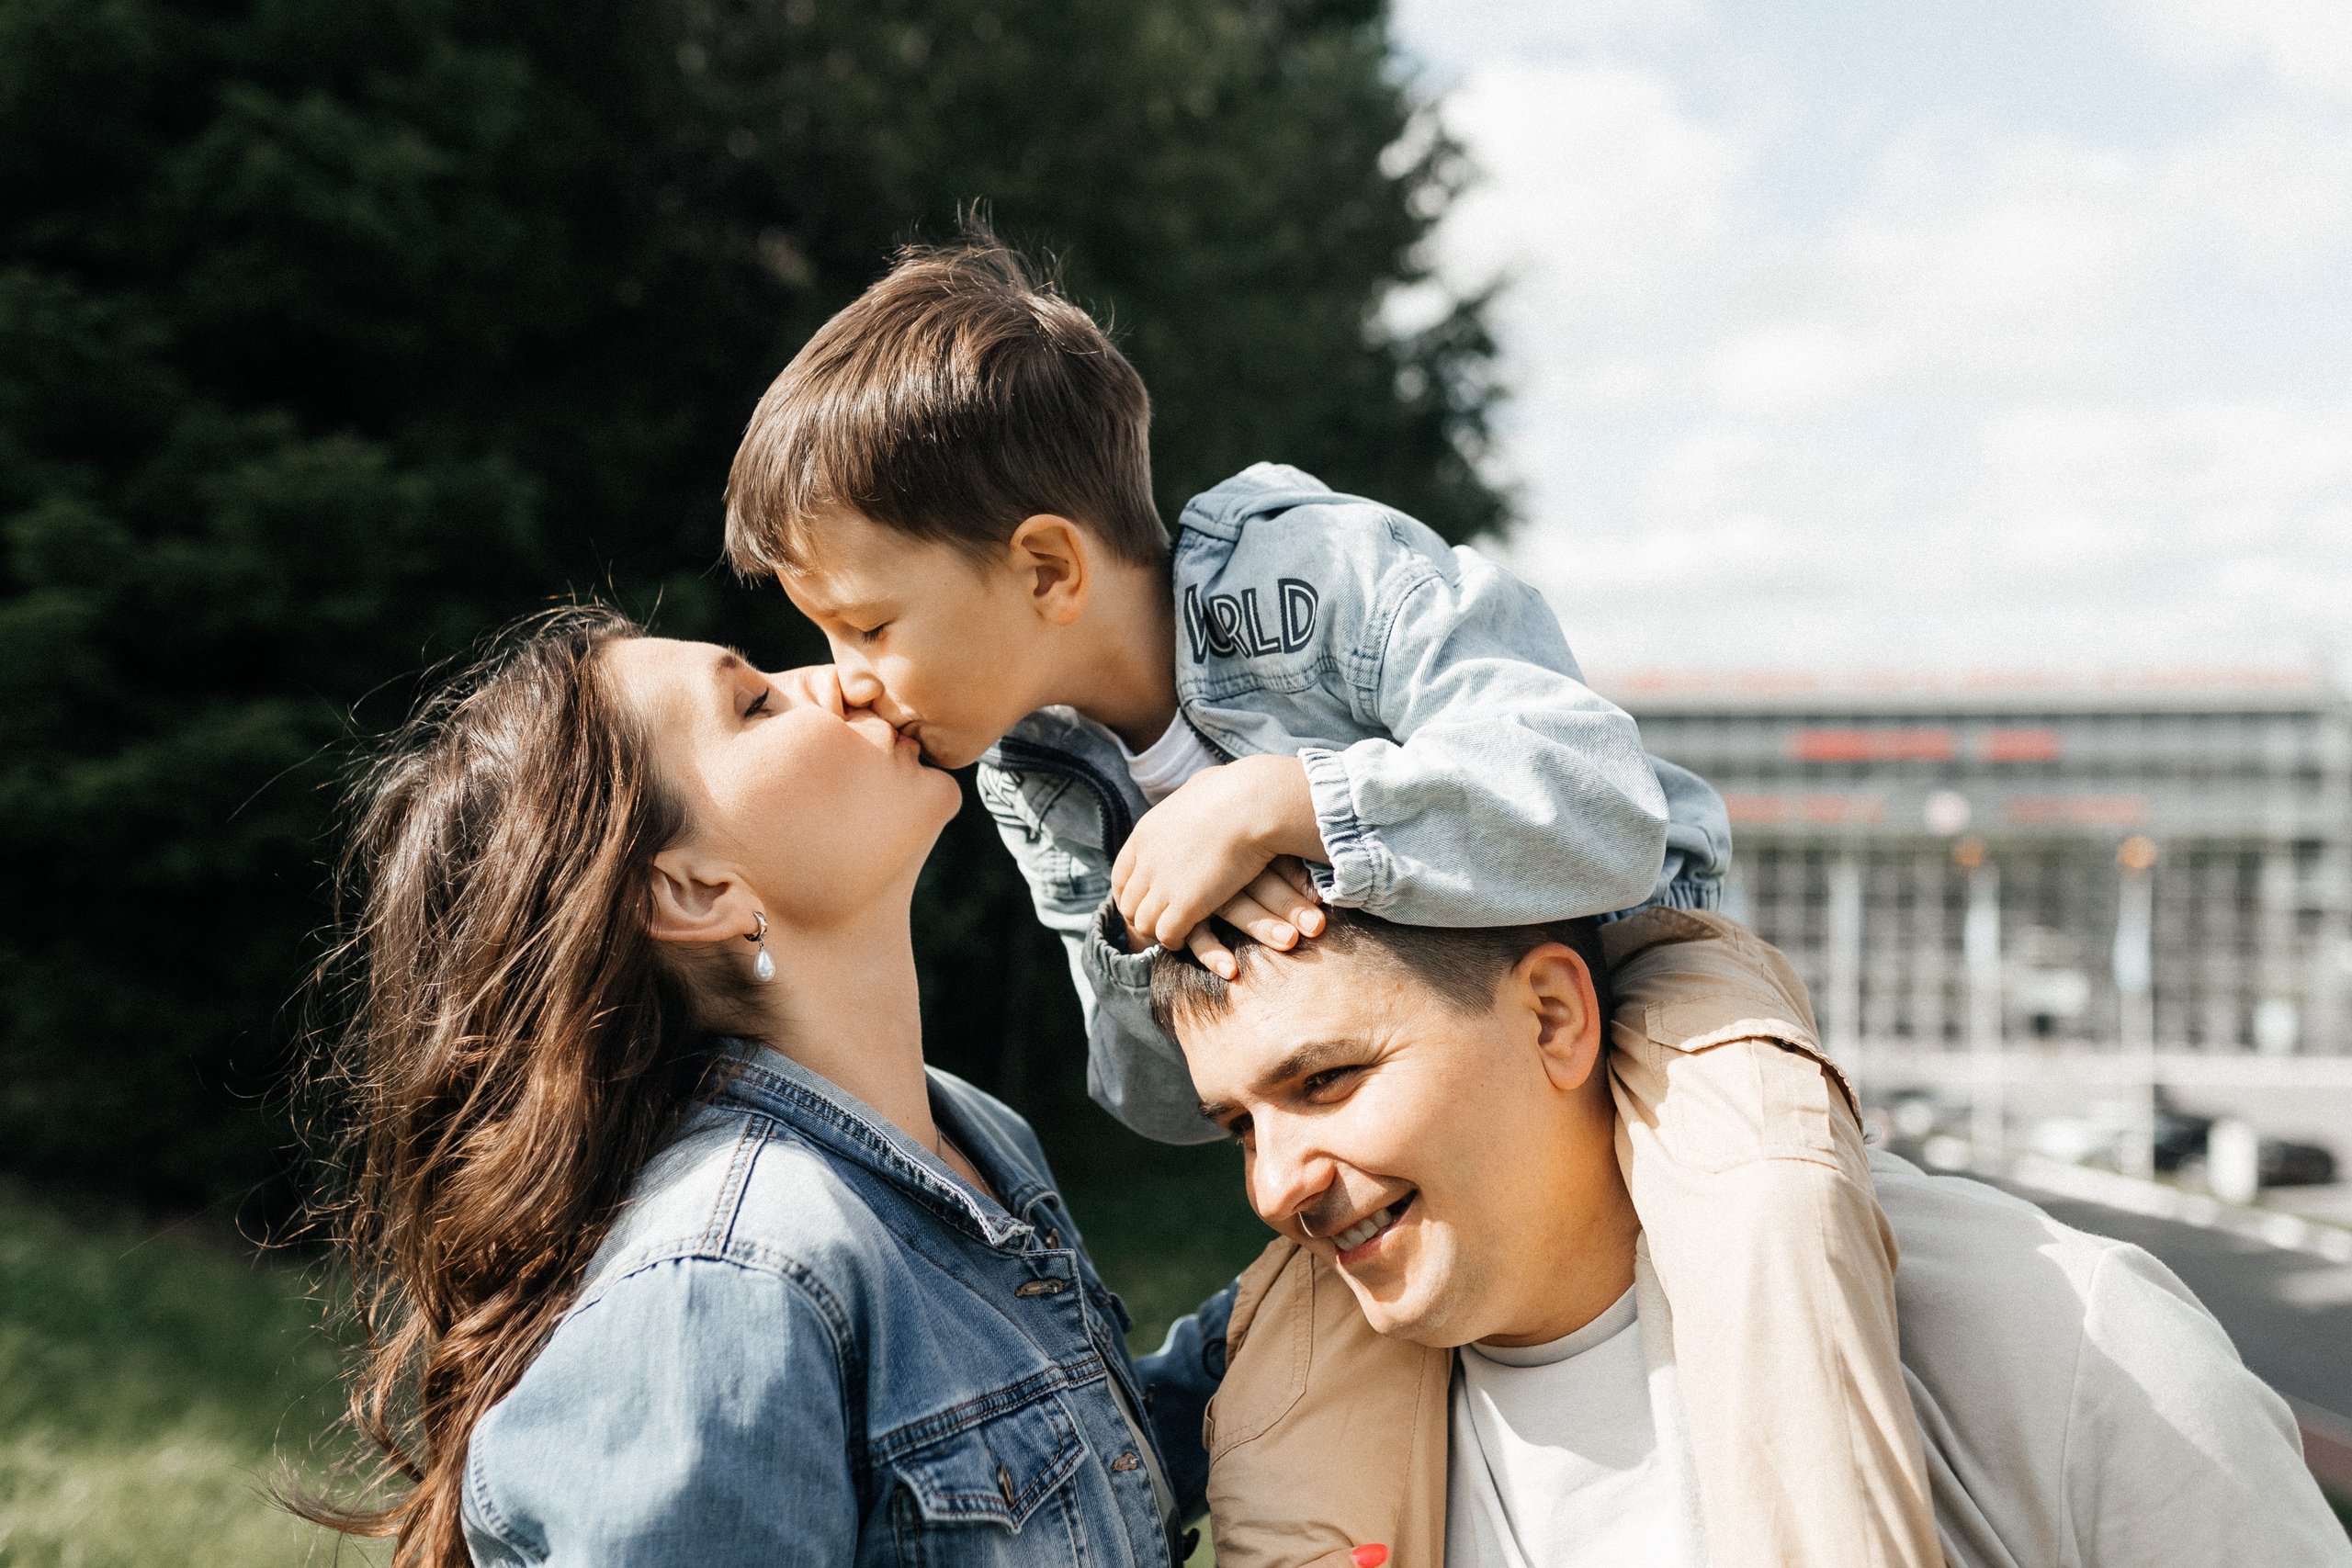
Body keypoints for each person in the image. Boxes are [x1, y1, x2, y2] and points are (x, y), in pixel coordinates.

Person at [721, 231, 1937, 1566]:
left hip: (1641, 958)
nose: (845, 674)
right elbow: (1159, 1092)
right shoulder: (1035, 766)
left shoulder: (1306, 579)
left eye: (869, 625)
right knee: (1284, 1404)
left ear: (1050, 570)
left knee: (1764, 1198)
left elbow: (1598, 797)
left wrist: (1283, 802)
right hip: (1382, 1100)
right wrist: (1160, 926)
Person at [296, 608, 1224, 1567]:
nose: (844, 679)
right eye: (753, 703)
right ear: (694, 891)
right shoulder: (721, 1283)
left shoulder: (970, 1133)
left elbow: (1083, 1473)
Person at [1146, 908, 2352, 1568]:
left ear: (1555, 1015)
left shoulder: (2089, 1347)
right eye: (1240, 1122)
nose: (1273, 1183)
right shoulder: (1286, 1412)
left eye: (1328, 1078)